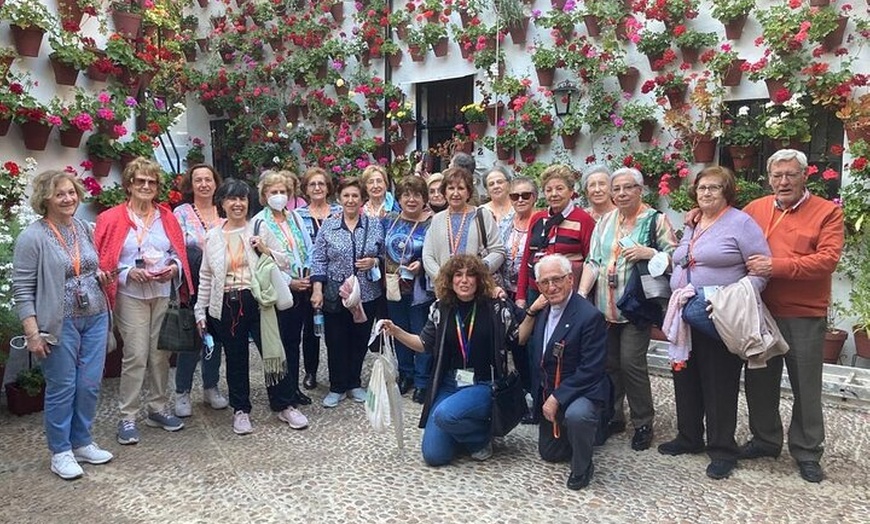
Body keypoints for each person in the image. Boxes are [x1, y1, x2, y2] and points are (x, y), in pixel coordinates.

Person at [739, 149, 845, 483]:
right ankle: (766, 440)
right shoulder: (754, 209)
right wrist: (700, 214)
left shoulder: (827, 212)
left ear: (805, 176)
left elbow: (827, 260)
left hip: (804, 314)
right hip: (760, 311)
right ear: (769, 178)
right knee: (759, 381)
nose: (783, 181)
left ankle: (807, 451)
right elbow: (726, 229)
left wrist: (777, 267)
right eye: (777, 175)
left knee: (806, 387)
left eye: (791, 175)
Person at [659, 167, 771, 480]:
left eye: (714, 188)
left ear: (727, 192)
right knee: (686, 375)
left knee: (719, 381)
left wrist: (733, 300)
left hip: (719, 316)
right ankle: (689, 436)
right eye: (702, 188)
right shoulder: (694, 222)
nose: (706, 193)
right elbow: (682, 257)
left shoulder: (741, 223)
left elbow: (760, 271)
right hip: (685, 313)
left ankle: (722, 448)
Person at [12, 170, 114, 480]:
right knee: (62, 386)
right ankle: (60, 451)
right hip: (59, 322)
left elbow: (87, 265)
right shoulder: (33, 237)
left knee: (90, 384)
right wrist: (32, 332)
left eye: (71, 193)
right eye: (60, 194)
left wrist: (99, 277)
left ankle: (82, 441)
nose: (68, 199)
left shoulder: (83, 227)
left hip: (95, 315)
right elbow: (22, 288)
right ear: (45, 199)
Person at [381, 255, 521, 466]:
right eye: (458, 275)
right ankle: (463, 429)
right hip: (450, 384)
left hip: (483, 384)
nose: (464, 280)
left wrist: (532, 311)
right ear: (450, 279)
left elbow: (518, 337)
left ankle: (479, 438)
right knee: (434, 455)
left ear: (479, 279)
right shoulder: (441, 307)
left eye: (470, 275)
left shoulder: (494, 307)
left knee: (445, 415)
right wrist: (396, 331)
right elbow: (423, 343)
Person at [195, 178, 307, 434]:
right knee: (235, 359)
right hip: (227, 303)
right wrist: (200, 310)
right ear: (222, 203)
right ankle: (241, 410)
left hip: (259, 300)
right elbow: (206, 276)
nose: (238, 204)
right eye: (232, 199)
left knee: (273, 354)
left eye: (242, 199)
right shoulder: (212, 236)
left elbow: (285, 261)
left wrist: (265, 248)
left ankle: (284, 404)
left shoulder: (259, 228)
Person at [577, 167, 677, 451]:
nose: (621, 193)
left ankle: (643, 421)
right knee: (608, 364)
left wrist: (651, 253)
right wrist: (582, 294)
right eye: (616, 189)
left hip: (636, 306)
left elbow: (674, 257)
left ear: (640, 190)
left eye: (627, 188)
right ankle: (614, 416)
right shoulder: (606, 220)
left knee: (631, 363)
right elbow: (593, 260)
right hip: (603, 306)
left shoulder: (655, 220)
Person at [95, 157, 193, 445]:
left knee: (160, 354)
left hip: (162, 292)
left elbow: (178, 253)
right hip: (130, 295)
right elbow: (102, 262)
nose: (146, 186)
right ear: (129, 185)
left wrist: (173, 268)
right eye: (140, 181)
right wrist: (127, 272)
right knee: (136, 354)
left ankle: (158, 408)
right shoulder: (110, 218)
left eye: (152, 182)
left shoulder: (167, 216)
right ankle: (127, 416)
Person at [517, 254, 609, 490]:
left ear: (570, 280)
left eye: (557, 279)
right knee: (550, 454)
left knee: (578, 416)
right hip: (552, 391)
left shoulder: (590, 317)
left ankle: (583, 465)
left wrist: (557, 398)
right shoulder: (544, 311)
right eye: (545, 282)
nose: (552, 287)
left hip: (583, 391)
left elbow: (591, 369)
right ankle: (575, 435)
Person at [310, 177, 385, 408]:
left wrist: (373, 261)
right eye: (346, 196)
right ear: (339, 199)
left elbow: (385, 254)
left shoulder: (374, 225)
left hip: (367, 293)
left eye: (355, 196)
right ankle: (337, 385)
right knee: (336, 340)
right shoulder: (329, 226)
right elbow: (319, 259)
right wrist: (317, 290)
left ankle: (354, 382)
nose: (351, 200)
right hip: (336, 293)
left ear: (362, 199)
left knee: (360, 339)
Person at [254, 171, 315, 410]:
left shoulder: (295, 218)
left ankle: (293, 388)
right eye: (274, 192)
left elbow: (307, 248)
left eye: (283, 192)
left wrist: (308, 274)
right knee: (277, 343)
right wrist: (289, 281)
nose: (279, 196)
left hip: (302, 288)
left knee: (293, 341)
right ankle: (280, 394)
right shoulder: (260, 222)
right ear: (264, 195)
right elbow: (263, 261)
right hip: (279, 289)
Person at [171, 163, 229, 418]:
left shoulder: (225, 210)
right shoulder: (181, 212)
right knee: (191, 341)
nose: (204, 184)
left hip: (222, 285)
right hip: (193, 285)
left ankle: (210, 387)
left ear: (215, 183)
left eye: (208, 179)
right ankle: (182, 392)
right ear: (191, 185)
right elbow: (175, 247)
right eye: (198, 180)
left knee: (214, 339)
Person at [516, 165, 596, 309]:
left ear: (571, 191)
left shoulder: (583, 220)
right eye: (548, 190)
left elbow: (591, 261)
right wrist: (521, 296)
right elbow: (527, 257)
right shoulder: (538, 219)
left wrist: (582, 294)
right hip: (536, 291)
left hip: (567, 294)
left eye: (560, 188)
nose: (554, 194)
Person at [382, 176, 433, 404]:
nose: (411, 200)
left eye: (417, 195)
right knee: (399, 330)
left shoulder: (433, 222)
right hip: (393, 287)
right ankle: (406, 374)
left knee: (421, 333)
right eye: (406, 195)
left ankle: (422, 381)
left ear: (424, 199)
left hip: (420, 288)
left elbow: (436, 250)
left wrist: (422, 263)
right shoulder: (389, 219)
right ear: (399, 198)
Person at [296, 167, 342, 390]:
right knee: (310, 328)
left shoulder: (339, 212)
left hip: (335, 278)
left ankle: (339, 374)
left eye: (321, 184)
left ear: (328, 187)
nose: (317, 188)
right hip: (308, 278)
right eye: (312, 184)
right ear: (306, 189)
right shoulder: (298, 215)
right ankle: (311, 372)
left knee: (336, 328)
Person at [422, 167, 505, 282]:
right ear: (444, 192)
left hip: (476, 285)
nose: (455, 193)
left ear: (468, 192)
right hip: (445, 288)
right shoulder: (437, 219)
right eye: (451, 188)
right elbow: (428, 255)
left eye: (461, 188)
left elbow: (498, 251)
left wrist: (478, 271)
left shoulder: (482, 215)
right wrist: (442, 277)